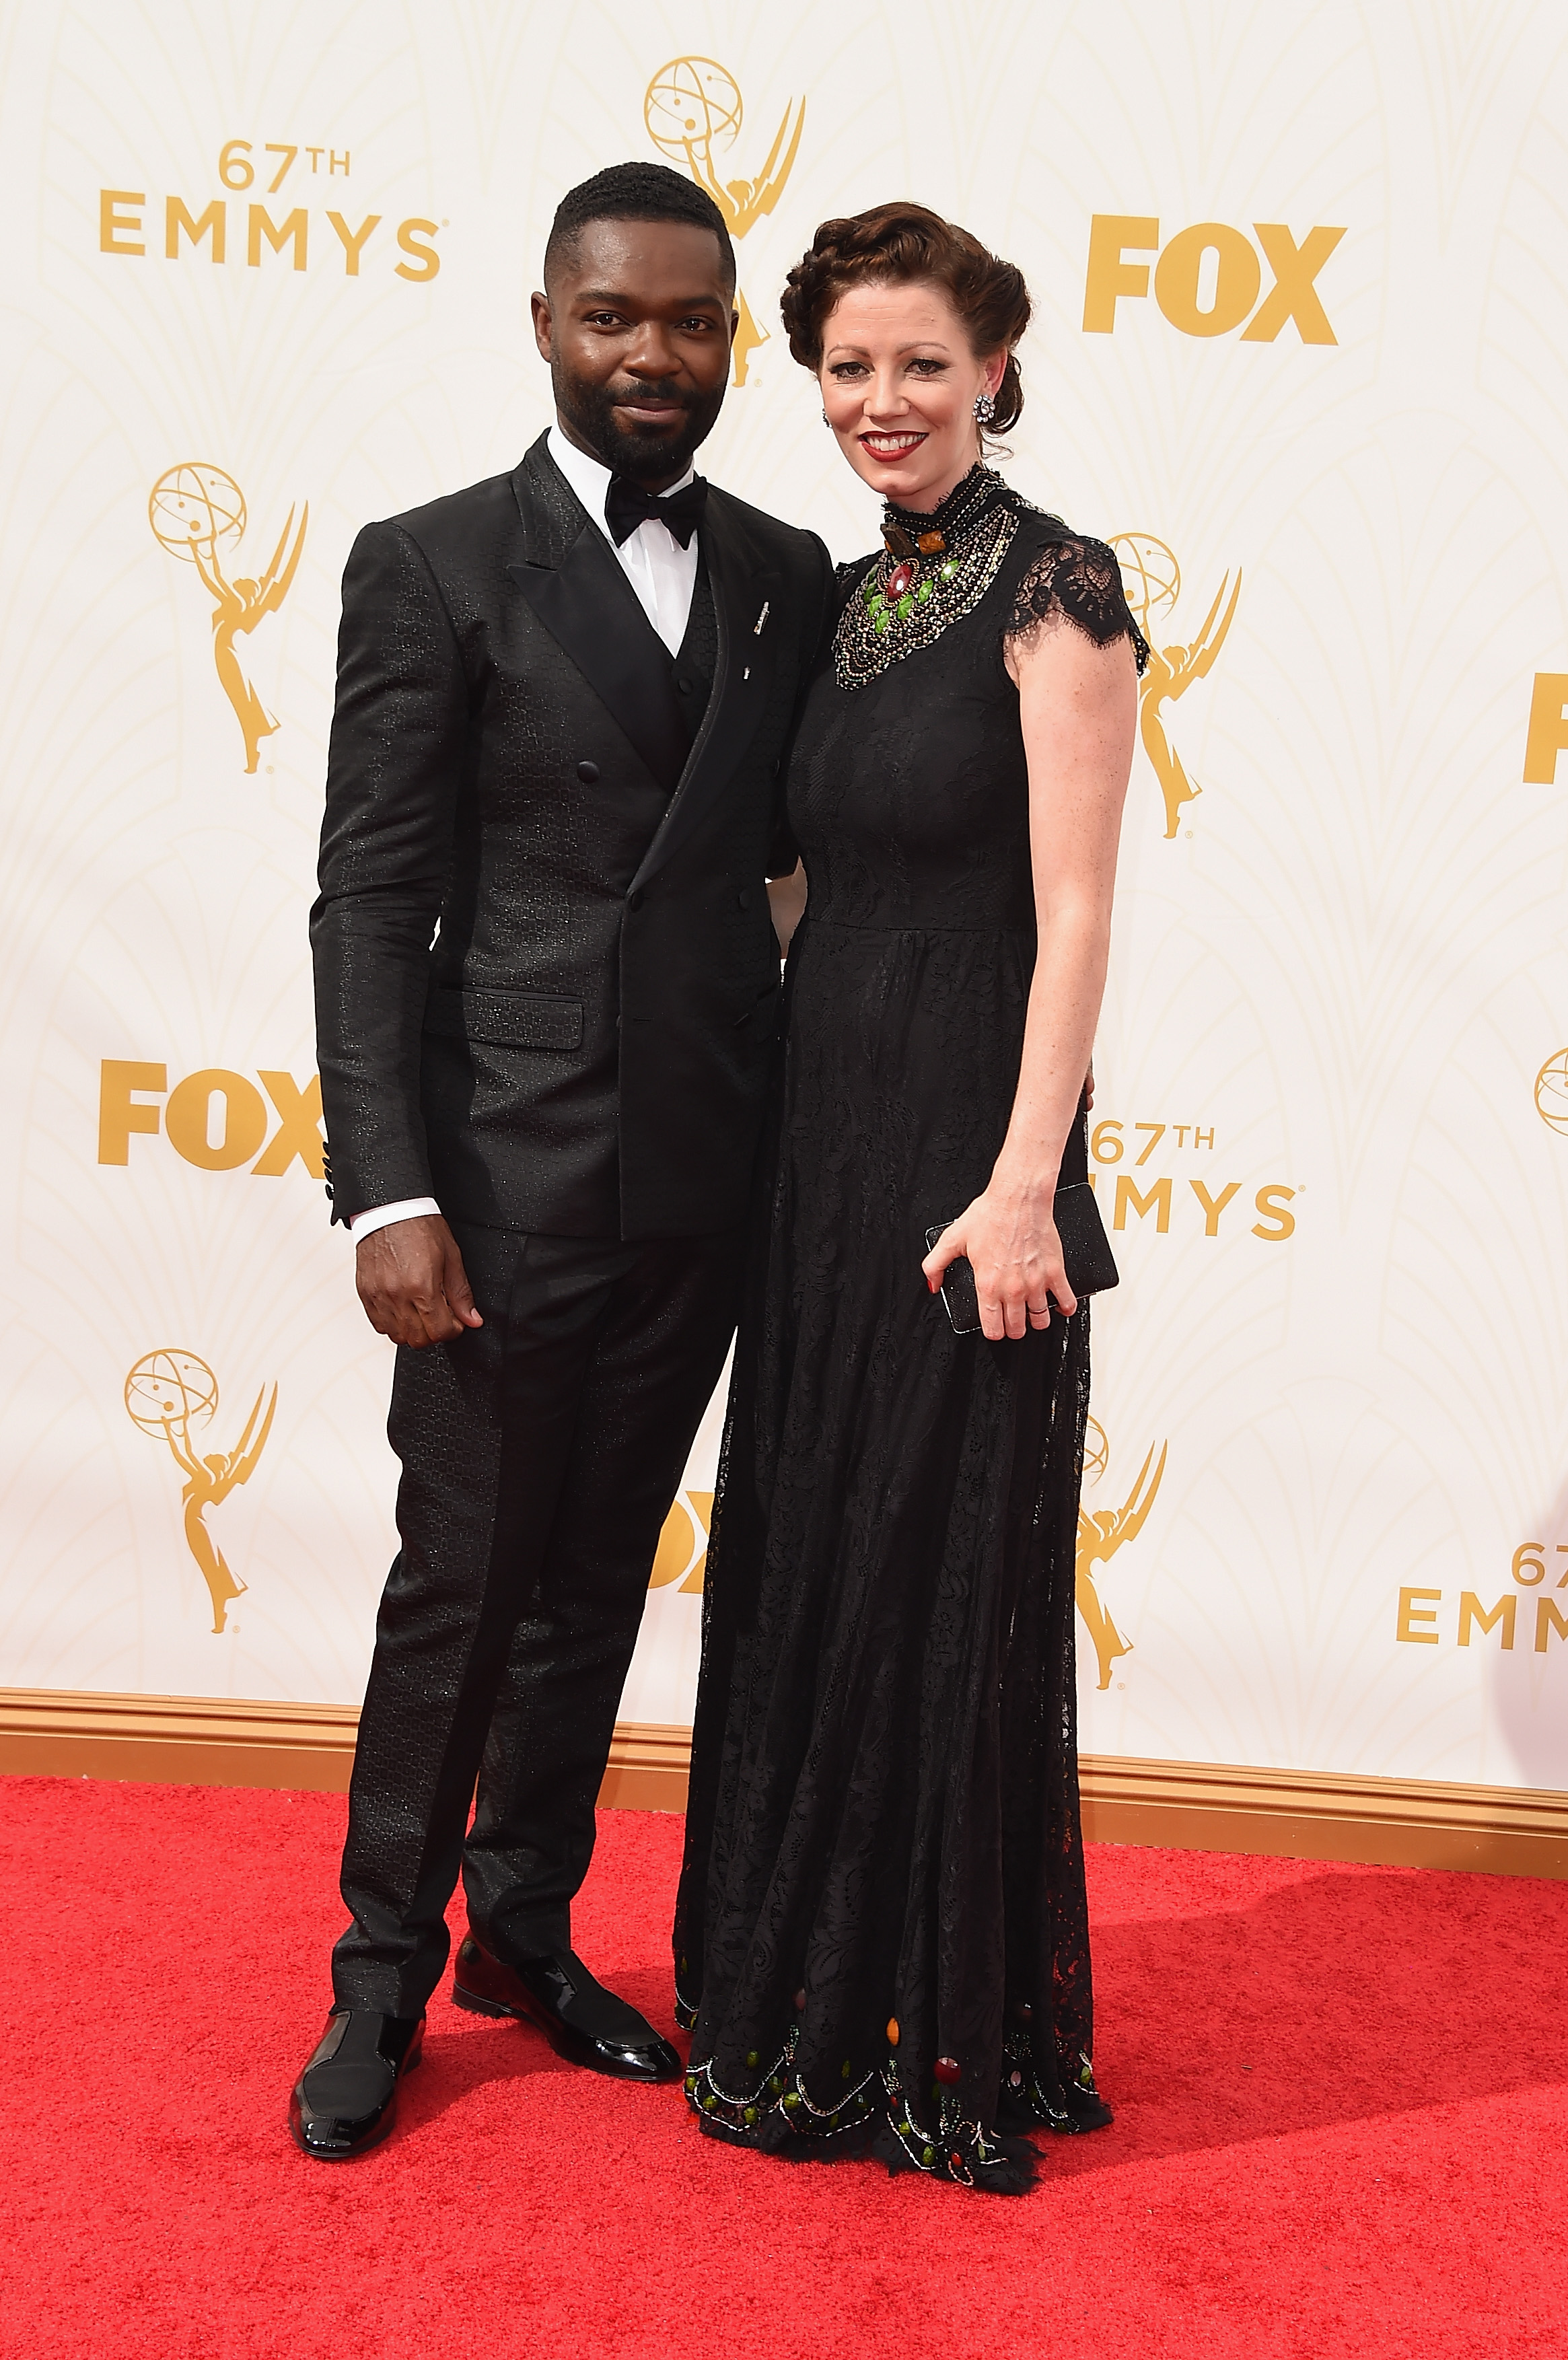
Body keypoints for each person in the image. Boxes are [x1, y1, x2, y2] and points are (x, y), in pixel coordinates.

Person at [291, 162, 832, 2160]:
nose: (654, 355)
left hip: (707, 1179)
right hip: (501, 1188)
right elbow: (370, 898)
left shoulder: (787, 569)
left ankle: (524, 1924)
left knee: (598, 1580)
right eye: (615, 316)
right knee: (463, 1588)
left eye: (692, 322)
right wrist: (387, 1187)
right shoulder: (429, 563)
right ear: (543, 322)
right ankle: (377, 1976)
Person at [674, 203, 1145, 2194]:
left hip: (969, 1143)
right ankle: (799, 1988)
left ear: (995, 372)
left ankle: (930, 2013)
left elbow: (1078, 912)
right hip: (820, 1122)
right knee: (807, 1543)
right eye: (849, 368)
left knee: (928, 1569)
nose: (881, 401)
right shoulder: (855, 596)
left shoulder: (1059, 594)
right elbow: (798, 873)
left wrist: (1026, 1179)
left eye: (921, 367)